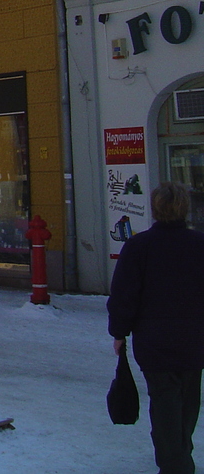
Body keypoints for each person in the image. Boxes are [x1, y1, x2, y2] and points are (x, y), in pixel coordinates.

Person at [109, 181, 204, 474]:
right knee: (188, 400)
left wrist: (119, 332)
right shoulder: (199, 245)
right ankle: (180, 452)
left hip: (154, 340)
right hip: (194, 339)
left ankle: (175, 462)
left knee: (164, 401)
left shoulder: (138, 247)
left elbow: (124, 294)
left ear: (155, 209)